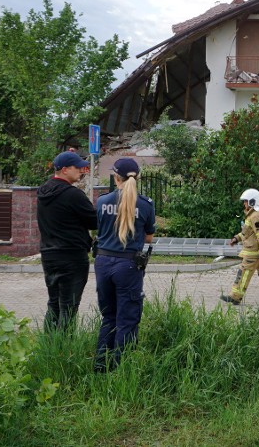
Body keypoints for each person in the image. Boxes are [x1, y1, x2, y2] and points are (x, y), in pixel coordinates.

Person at [93, 158, 156, 372]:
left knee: (109, 316)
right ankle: (122, 370)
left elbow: (99, 230)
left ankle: (101, 367)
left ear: (115, 177)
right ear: (136, 178)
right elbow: (148, 238)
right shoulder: (146, 204)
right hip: (128, 266)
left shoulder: (102, 201)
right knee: (127, 319)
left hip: (102, 263)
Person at [37, 150, 97, 332]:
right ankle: (64, 351)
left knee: (54, 304)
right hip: (72, 256)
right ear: (64, 170)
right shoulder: (73, 195)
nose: (81, 170)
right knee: (69, 308)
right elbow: (95, 221)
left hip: (49, 255)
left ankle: (48, 347)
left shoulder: (43, 192)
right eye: (77, 167)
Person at [220, 188, 259, 305]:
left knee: (243, 273)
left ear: (252, 202)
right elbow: (247, 232)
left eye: (246, 201)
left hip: (253, 254)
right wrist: (236, 239)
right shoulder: (253, 215)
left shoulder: (255, 216)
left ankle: (235, 297)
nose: (244, 204)